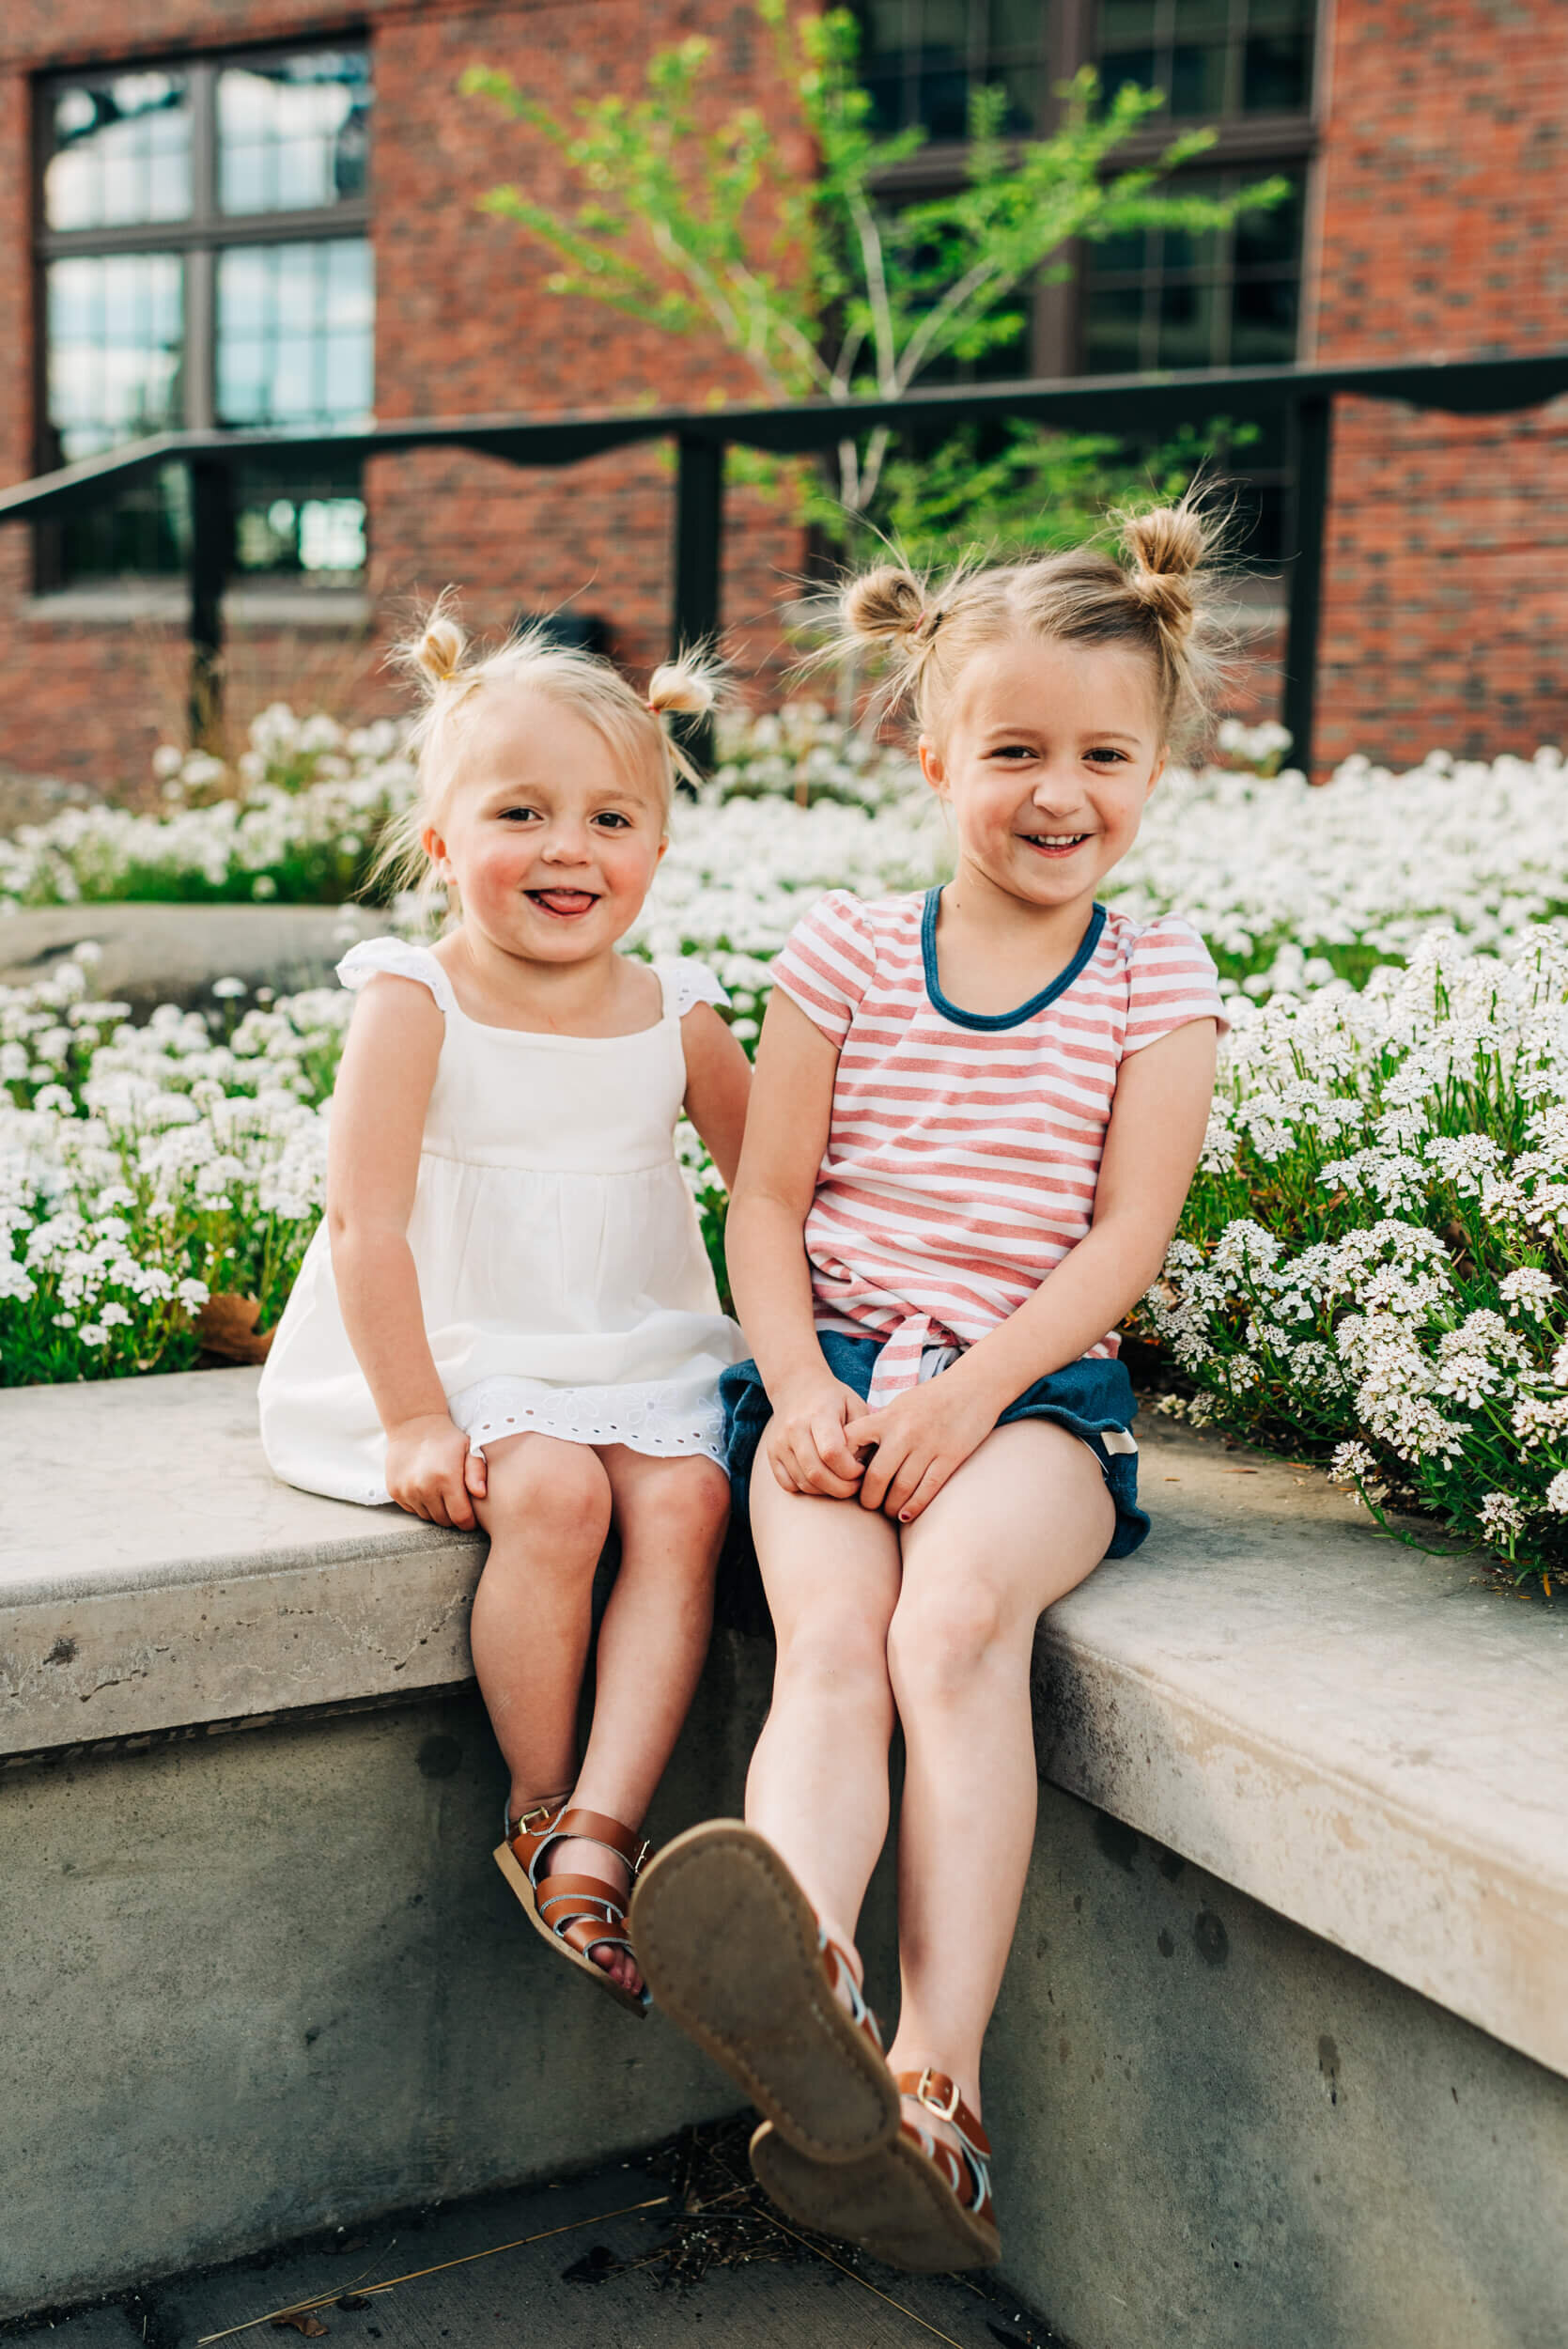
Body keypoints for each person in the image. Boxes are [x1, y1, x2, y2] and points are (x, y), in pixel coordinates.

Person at [629, 501, 1229, 2265]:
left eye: (1103, 755)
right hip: (832, 1384)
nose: (1060, 792)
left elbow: (1123, 1244)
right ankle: (801, 1977)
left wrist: (973, 1399)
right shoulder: (839, 954)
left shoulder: (1154, 980)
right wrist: (796, 1380)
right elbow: (766, 1199)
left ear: (1156, 767)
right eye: (1015, 751)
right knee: (827, 1641)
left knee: (949, 1628)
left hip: (1032, 1405)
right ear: (930, 753)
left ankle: (938, 2080)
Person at [259, 600, 750, 2017]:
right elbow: (366, 1219)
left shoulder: (674, 1008)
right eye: (520, 812)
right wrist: (414, 1411)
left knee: (681, 1506)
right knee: (550, 1497)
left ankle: (609, 1820)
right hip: (457, 1344)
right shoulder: (414, 996)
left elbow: (775, 1185)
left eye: (609, 820)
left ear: (655, 849)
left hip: (629, 1332)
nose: (567, 849)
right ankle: (541, 1808)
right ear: (441, 847)